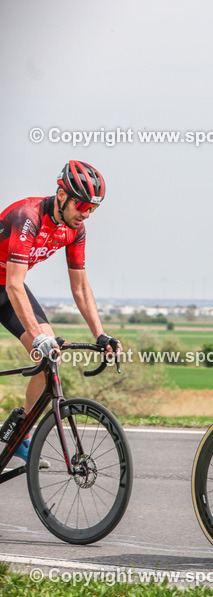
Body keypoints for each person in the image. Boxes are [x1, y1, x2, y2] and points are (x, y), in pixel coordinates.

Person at [0, 161, 121, 465]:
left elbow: (80, 287)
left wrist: (101, 335)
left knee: (49, 354)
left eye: (93, 208)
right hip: (9, 286)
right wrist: (37, 335)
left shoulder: (74, 230)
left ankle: (19, 438)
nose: (85, 213)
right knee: (43, 342)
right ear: (61, 194)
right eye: (81, 204)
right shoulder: (27, 217)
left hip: (4, 289)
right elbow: (16, 285)